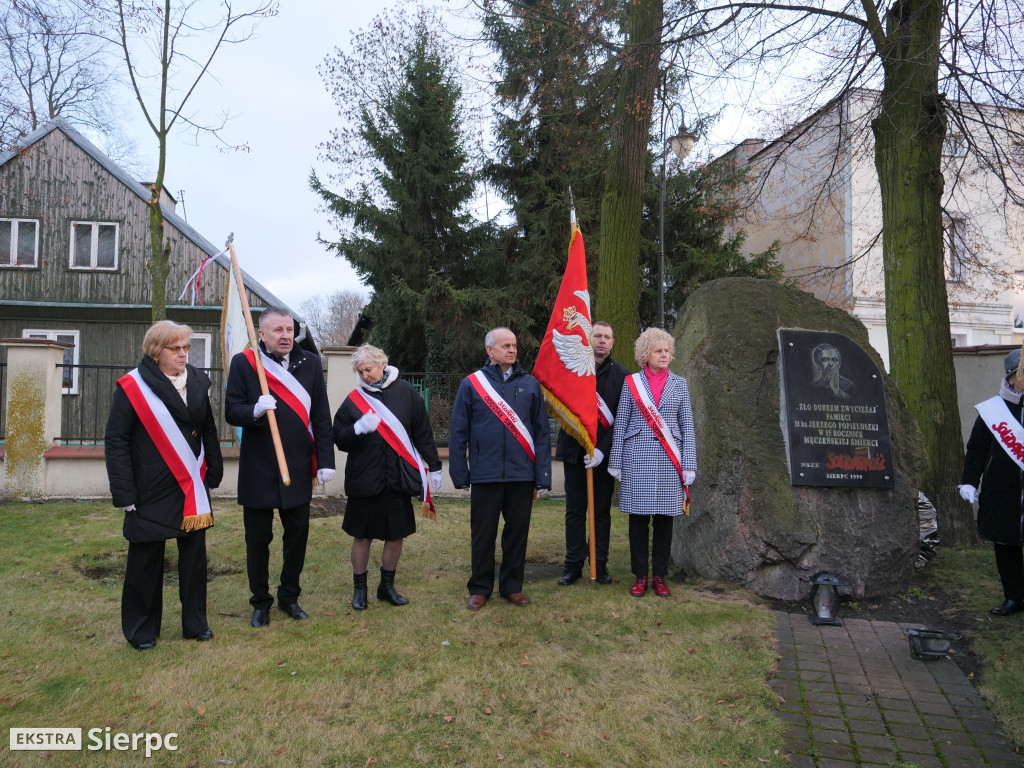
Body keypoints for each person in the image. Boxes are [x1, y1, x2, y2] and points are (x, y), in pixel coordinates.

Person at [105, 321, 223, 650]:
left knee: (195, 562)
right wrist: (125, 493)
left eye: (186, 347)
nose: (183, 354)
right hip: (148, 489)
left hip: (190, 486)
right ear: (156, 352)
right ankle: (142, 631)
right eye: (175, 349)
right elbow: (116, 441)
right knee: (144, 564)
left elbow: (208, 429)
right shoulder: (133, 386)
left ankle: (196, 624)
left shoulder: (199, 380)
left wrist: (214, 468)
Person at [225, 306, 335, 627]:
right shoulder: (245, 364)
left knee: (297, 536)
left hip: (298, 467)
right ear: (261, 334)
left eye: (289, 329)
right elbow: (232, 410)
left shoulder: (311, 364)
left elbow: (321, 418)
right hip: (259, 468)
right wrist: (254, 411)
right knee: (258, 541)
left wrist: (325, 461)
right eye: (278, 330)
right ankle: (260, 602)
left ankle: (289, 596)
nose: (286, 336)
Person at [333, 344, 442, 610]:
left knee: (396, 535)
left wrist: (435, 466)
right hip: (364, 478)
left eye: (368, 369)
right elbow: (339, 439)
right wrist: (357, 428)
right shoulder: (353, 400)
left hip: (397, 479)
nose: (365, 375)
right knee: (362, 536)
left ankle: (387, 586)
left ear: (383, 364)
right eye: (360, 371)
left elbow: (422, 432)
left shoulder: (406, 393)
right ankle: (360, 590)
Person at [449, 327, 552, 610]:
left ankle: (512, 586)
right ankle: (480, 587)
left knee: (517, 533)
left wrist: (542, 475)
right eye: (505, 345)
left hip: (522, 474)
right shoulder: (471, 384)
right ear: (489, 351)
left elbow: (542, 433)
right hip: (485, 473)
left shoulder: (530, 384)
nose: (512, 349)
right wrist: (460, 473)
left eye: (514, 345)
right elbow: (458, 431)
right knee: (483, 533)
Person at [608, 327, 697, 598]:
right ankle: (640, 576)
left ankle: (659, 576)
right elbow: (621, 421)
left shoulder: (680, 383)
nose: (664, 355)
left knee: (664, 521)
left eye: (668, 350)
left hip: (671, 461)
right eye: (659, 350)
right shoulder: (631, 382)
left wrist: (689, 463)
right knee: (638, 522)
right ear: (645, 354)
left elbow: (688, 426)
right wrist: (616, 460)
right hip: (637, 457)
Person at [555, 321, 629, 586]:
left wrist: (602, 450)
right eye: (597, 335)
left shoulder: (624, 375)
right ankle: (573, 565)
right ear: (589, 338)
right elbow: (559, 407)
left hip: (603, 456)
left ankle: (600, 565)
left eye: (607, 337)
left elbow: (623, 420)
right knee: (575, 511)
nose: (601, 340)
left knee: (600, 512)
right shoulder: (572, 370)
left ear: (612, 342)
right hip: (575, 452)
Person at [959, 348, 1024, 616]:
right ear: (1011, 378)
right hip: (1002, 492)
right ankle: (1015, 597)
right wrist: (969, 482)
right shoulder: (992, 411)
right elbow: (977, 450)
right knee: (1006, 546)